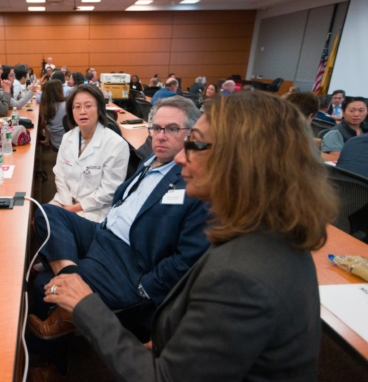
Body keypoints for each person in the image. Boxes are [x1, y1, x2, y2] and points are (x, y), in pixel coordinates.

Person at [40, 91, 336, 382]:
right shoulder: (268, 237)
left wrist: (85, 303)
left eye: (193, 143)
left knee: (41, 284)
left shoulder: (243, 277)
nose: (180, 157)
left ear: (240, 160)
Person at [29, 95, 209, 343]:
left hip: (127, 261)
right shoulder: (151, 159)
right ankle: (72, 276)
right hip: (102, 233)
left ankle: (51, 366)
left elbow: (188, 259)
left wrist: (144, 287)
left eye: (172, 129)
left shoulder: (193, 182)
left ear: (191, 134)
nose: (161, 135)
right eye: (156, 128)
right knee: (47, 213)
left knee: (43, 286)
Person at [50, 84, 129, 223]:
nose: (82, 111)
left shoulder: (116, 144)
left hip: (94, 210)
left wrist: (74, 209)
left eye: (88, 106)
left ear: (99, 109)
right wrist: (67, 204)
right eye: (77, 107)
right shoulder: (67, 137)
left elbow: (108, 191)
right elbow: (59, 175)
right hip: (65, 201)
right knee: (41, 216)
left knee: (60, 228)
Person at [38, 80, 67, 150]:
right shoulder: (66, 106)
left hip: (55, 143)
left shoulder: (45, 106)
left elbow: (45, 124)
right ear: (60, 91)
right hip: (67, 145)